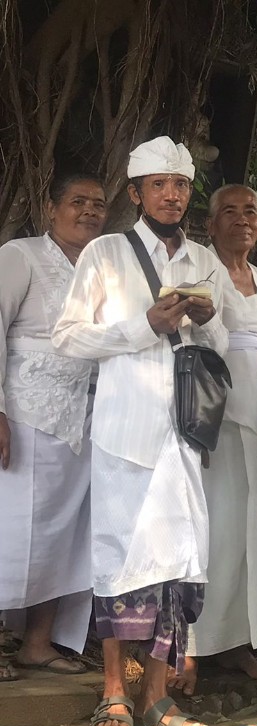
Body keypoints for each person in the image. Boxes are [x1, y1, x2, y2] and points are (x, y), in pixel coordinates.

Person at [52, 136, 228, 726]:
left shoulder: (204, 261)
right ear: (135, 193)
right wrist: (141, 326)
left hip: (184, 436)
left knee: (177, 564)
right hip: (126, 434)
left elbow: (223, 346)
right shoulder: (105, 253)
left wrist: (206, 324)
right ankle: (112, 694)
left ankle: (155, 696)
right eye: (159, 185)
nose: (172, 195)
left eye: (180, 185)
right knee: (120, 559)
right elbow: (68, 337)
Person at [169, 184, 257, 695]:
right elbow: (197, 340)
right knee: (217, 532)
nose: (243, 219)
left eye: (251, 211)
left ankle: (240, 642)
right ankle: (193, 644)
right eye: (230, 211)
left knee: (256, 534)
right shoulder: (204, 269)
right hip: (219, 420)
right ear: (211, 223)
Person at [0, 173, 108, 680]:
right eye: (77, 201)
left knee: (61, 535)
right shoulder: (20, 255)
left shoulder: (104, 267)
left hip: (82, 420)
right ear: (50, 209)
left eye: (98, 204)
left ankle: (37, 643)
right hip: (24, 412)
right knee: (12, 531)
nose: (88, 211)